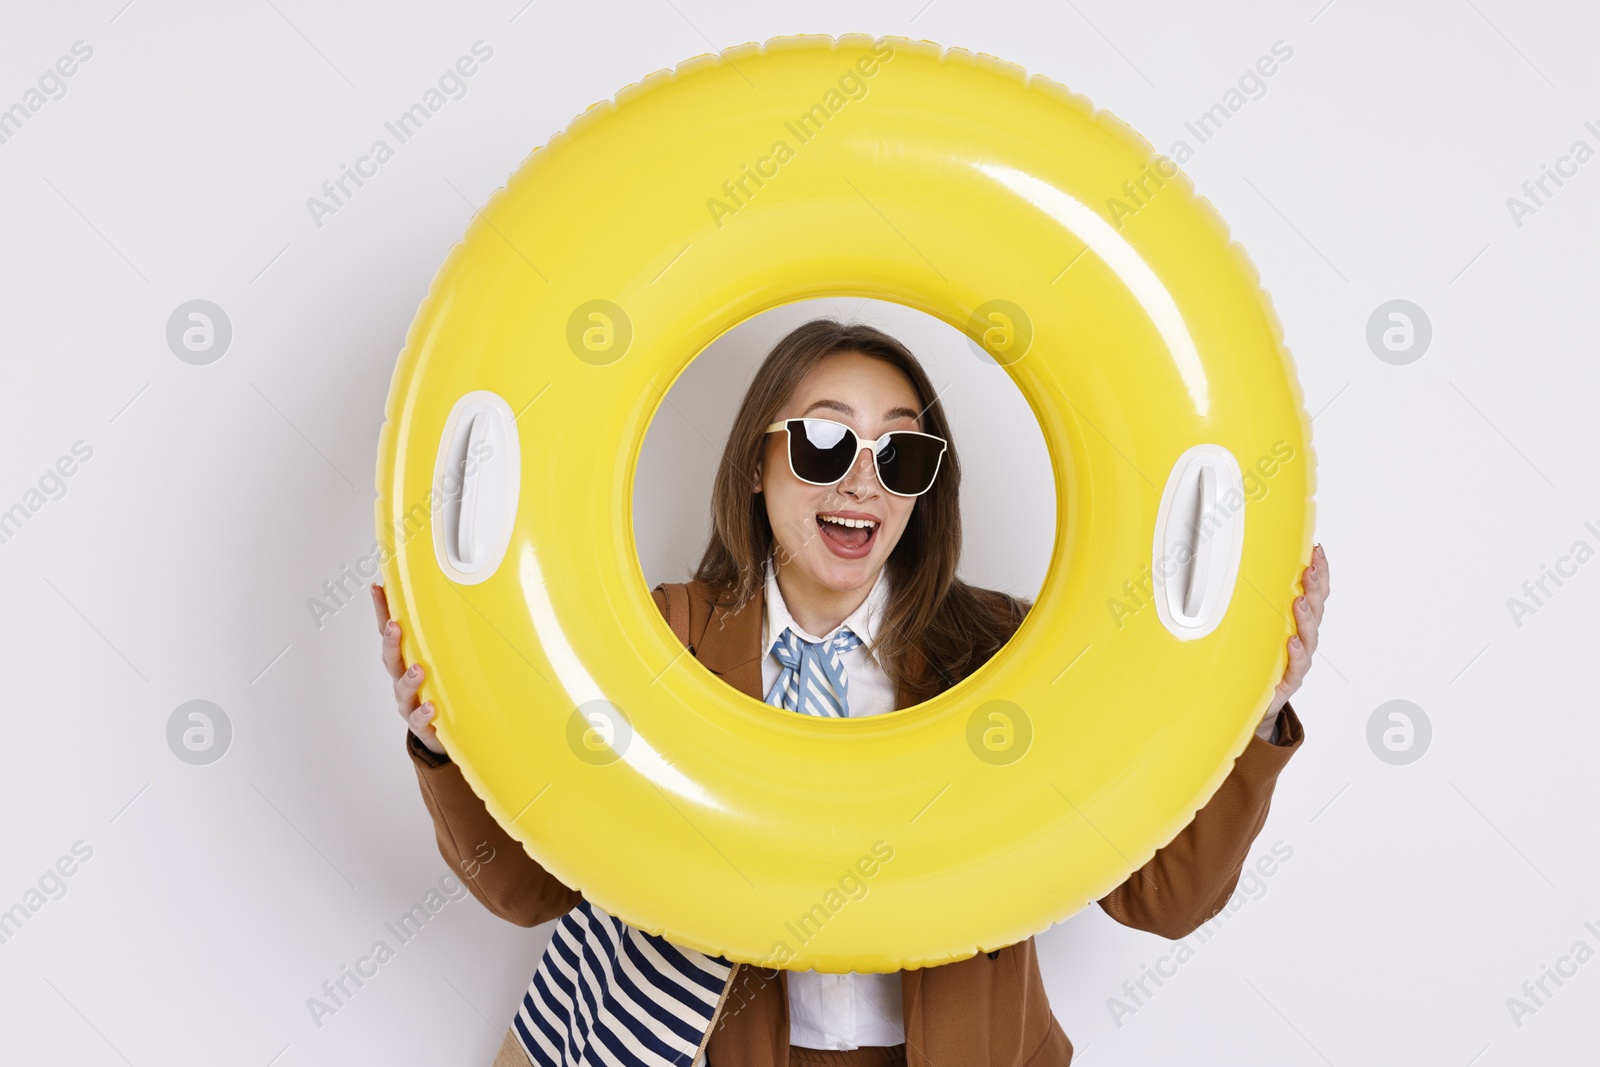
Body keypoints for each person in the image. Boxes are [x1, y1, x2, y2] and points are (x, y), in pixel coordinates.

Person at [372, 318, 1329, 1067]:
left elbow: (1160, 895)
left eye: (902, 454)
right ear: (757, 462)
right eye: (826, 441)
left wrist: (1251, 717)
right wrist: (445, 743)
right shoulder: (656, 638)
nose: (863, 480)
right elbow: (531, 882)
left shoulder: (1008, 653)